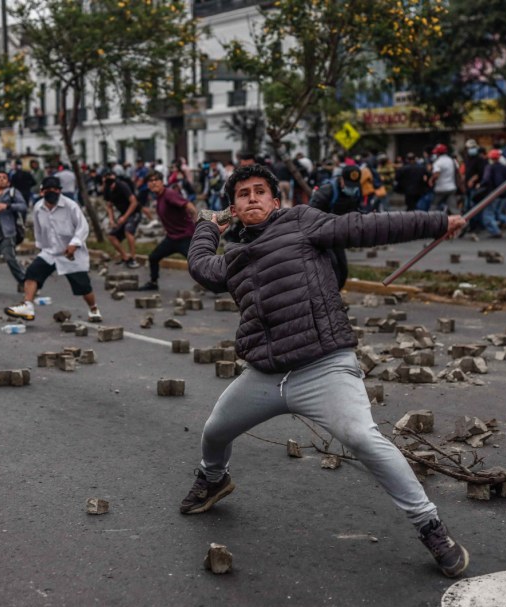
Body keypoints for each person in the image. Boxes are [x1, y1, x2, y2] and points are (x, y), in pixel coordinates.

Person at [183, 163, 470, 578]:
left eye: (259, 191)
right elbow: (201, 267)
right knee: (215, 431)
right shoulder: (235, 258)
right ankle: (214, 479)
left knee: (362, 438)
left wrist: (438, 221)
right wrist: (207, 227)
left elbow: (364, 227)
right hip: (266, 375)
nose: (252, 198)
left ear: (274, 200)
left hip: (324, 367)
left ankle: (431, 527)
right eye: (242, 194)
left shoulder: (301, 222)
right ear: (234, 208)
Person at [4, 176, 102, 323]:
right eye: (49, 190)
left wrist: (74, 244)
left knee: (83, 286)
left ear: (60, 191)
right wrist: (42, 248)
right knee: (32, 273)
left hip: (71, 253)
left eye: (56, 190)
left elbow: (83, 227)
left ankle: (94, 309)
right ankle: (28, 305)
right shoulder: (38, 208)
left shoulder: (71, 206)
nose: (53, 192)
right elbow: (39, 229)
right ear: (42, 192)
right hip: (50, 251)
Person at [309, 165, 368, 288]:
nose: (350, 188)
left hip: (337, 235)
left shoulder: (355, 192)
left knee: (342, 269)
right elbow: (310, 215)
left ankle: (336, 298)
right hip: (321, 234)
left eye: (353, 185)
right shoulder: (326, 191)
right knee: (333, 266)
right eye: (347, 184)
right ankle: (329, 300)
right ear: (341, 179)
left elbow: (355, 211)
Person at [137, 171, 196, 291]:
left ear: (161, 182)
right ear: (147, 185)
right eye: (150, 181)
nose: (154, 183)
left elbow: (188, 205)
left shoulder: (169, 194)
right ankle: (153, 283)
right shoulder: (159, 197)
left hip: (185, 237)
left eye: (156, 179)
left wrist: (198, 222)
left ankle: (221, 283)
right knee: (153, 257)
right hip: (172, 238)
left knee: (199, 262)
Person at [103, 169, 142, 268]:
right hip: (123, 214)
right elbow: (109, 205)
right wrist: (111, 220)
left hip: (134, 212)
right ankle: (125, 257)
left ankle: (133, 259)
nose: (111, 185)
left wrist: (125, 217)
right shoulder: (107, 189)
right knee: (112, 236)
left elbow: (134, 202)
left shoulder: (122, 186)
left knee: (128, 231)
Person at [480, 150, 506, 238]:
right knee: (497, 213)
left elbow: (486, 180)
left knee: (487, 214)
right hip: (504, 193)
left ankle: (495, 231)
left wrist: (480, 185)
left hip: (493, 193)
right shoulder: (504, 167)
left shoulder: (489, 167)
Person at [427, 144, 459, 213]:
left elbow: (436, 174)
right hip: (452, 188)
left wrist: (431, 180)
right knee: (453, 208)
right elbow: (457, 172)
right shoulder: (452, 160)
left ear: (438, 153)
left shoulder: (438, 162)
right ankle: (459, 222)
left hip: (440, 189)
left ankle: (430, 221)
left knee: (433, 207)